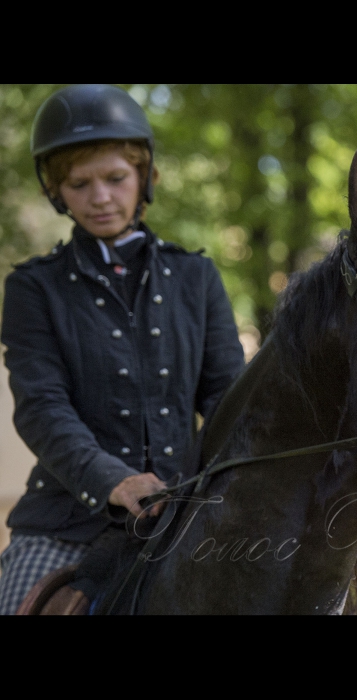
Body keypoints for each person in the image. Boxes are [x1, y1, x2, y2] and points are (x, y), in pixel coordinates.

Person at [0, 84, 246, 614]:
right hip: (66, 520)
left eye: (115, 178)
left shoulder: (196, 277)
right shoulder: (33, 288)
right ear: (57, 191)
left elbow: (230, 398)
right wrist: (114, 481)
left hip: (185, 513)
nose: (101, 197)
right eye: (79, 183)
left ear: (144, 177)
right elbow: (42, 407)